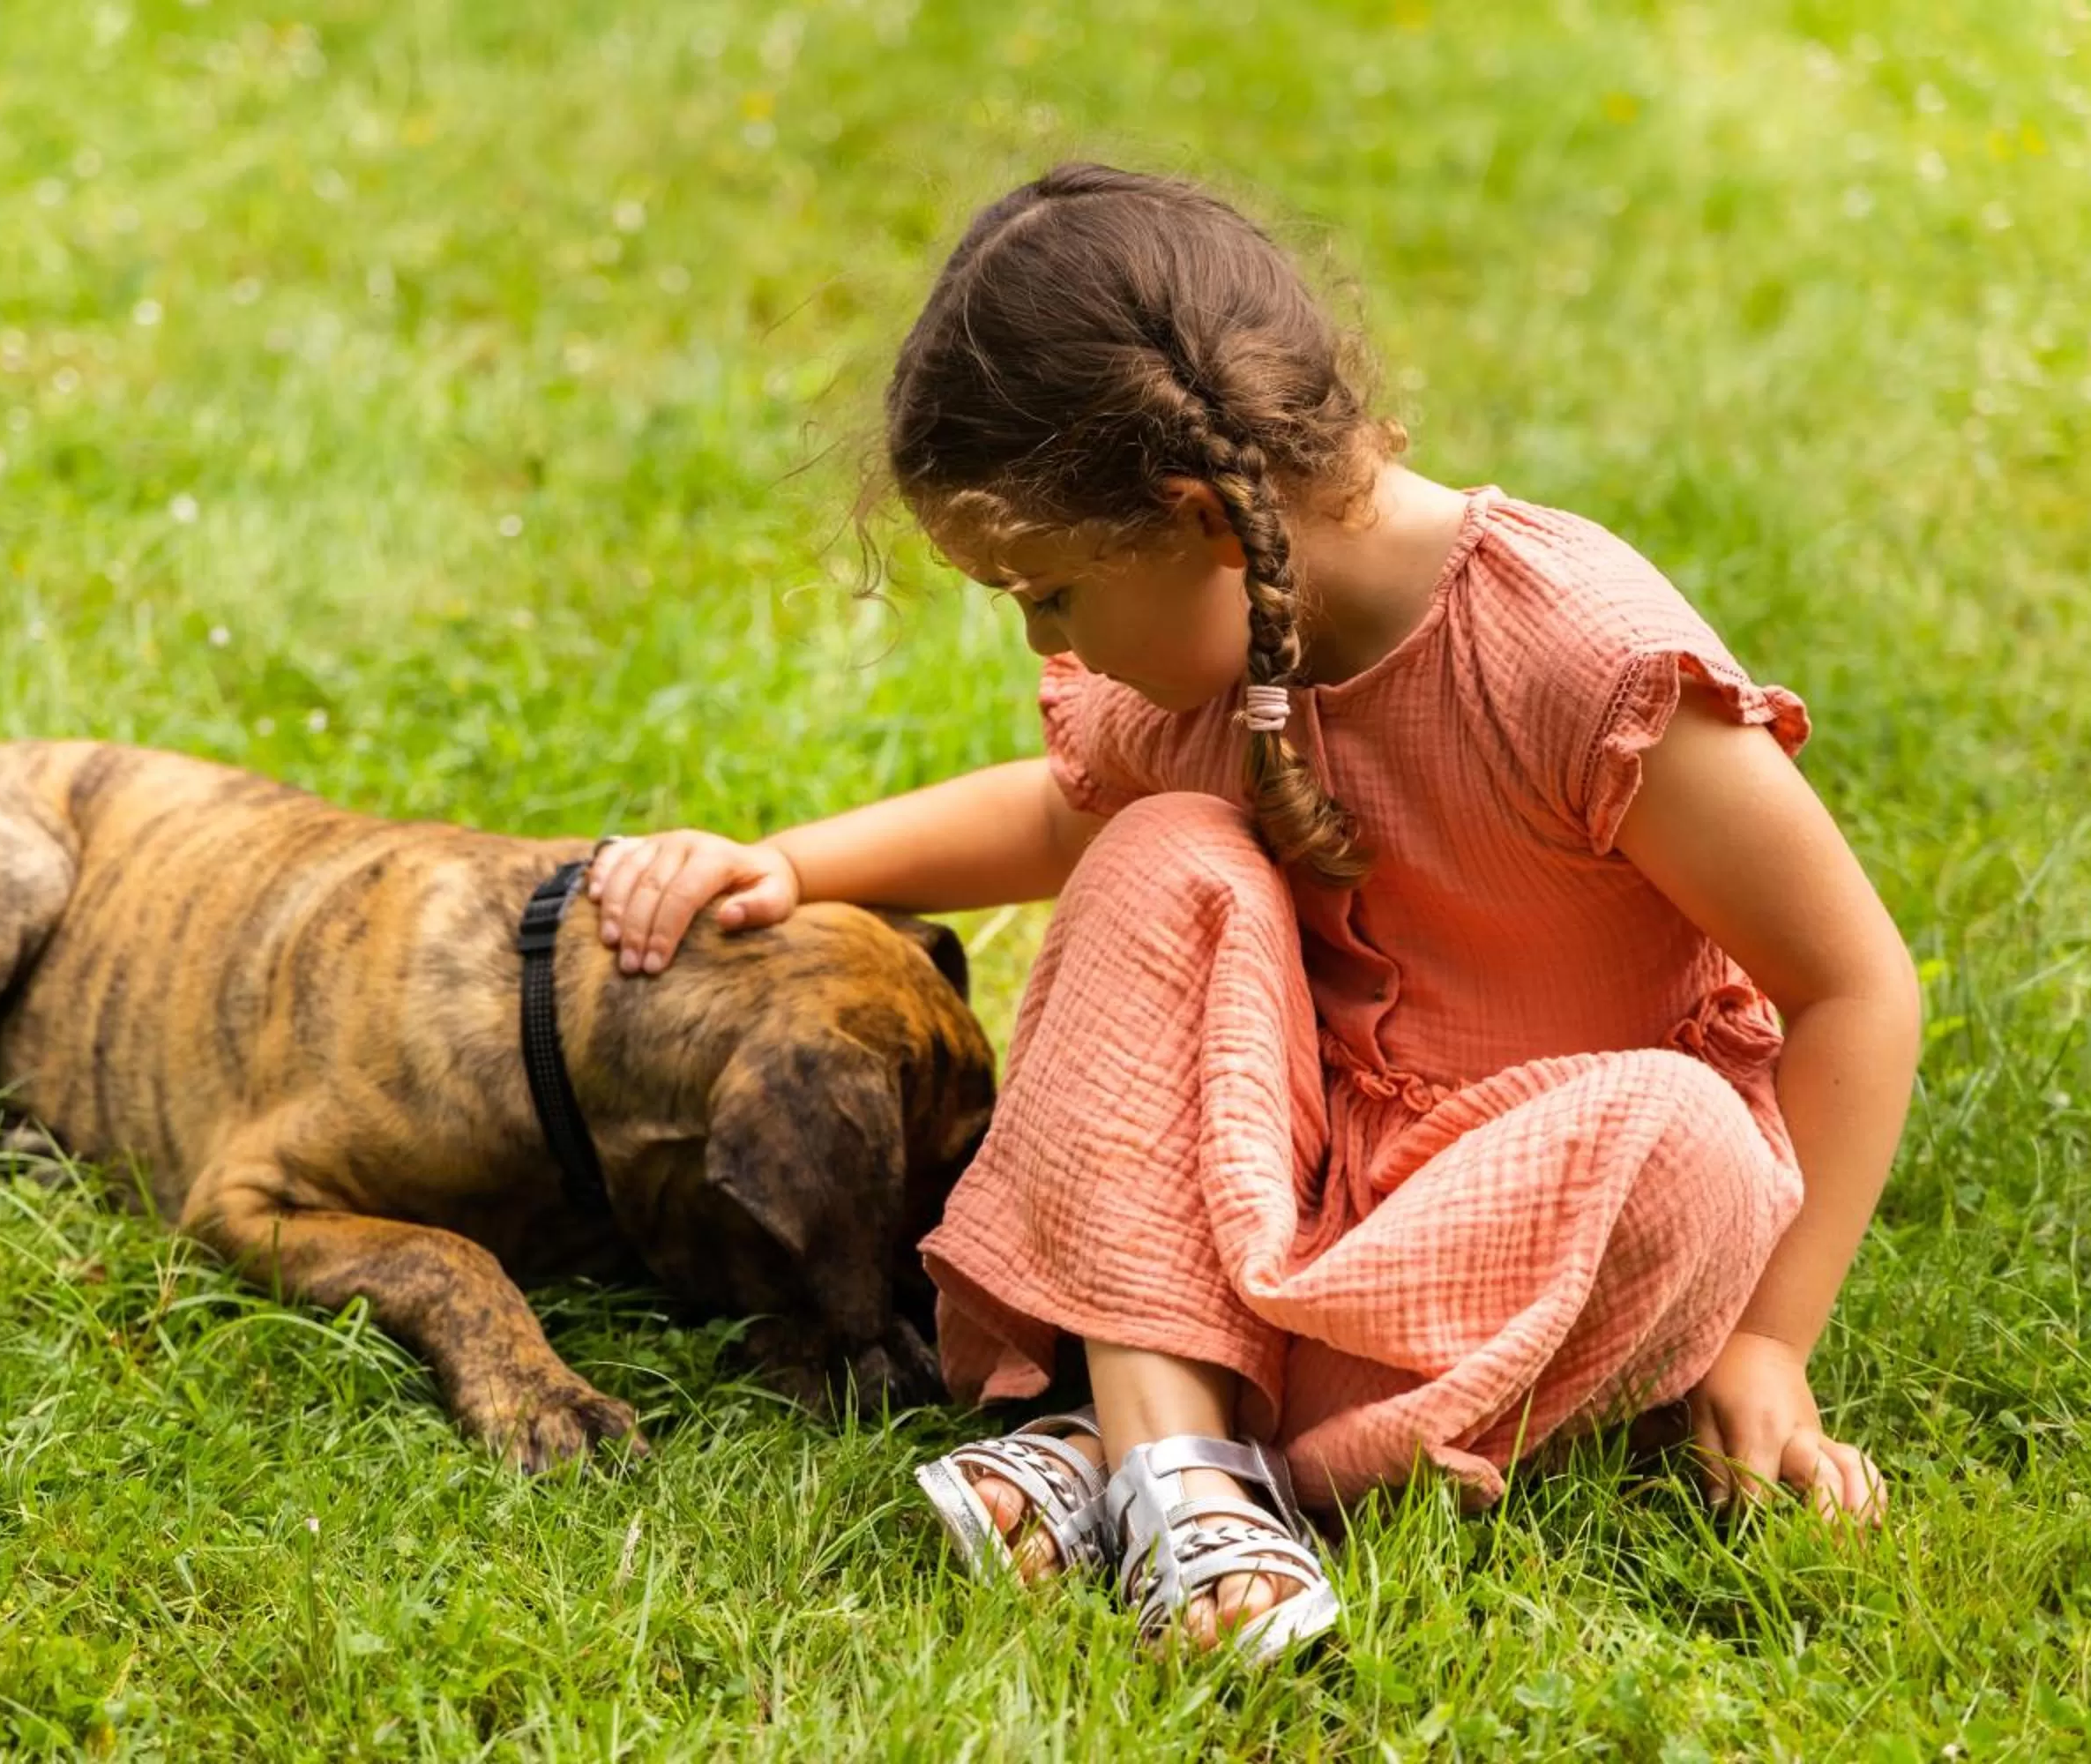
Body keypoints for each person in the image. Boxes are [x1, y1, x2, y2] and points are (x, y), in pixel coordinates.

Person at [586, 162, 1920, 1661]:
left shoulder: (1572, 654)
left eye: (1049, 594)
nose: (1043, 641)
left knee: (1695, 1149)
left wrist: (1765, 1345)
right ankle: (1183, 1470)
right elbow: (1061, 809)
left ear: (1203, 519)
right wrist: (795, 862)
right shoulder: (1231, 655)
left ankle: (1146, 1450)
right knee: (1165, 850)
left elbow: (1855, 987)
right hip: (1264, 1197)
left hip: (1516, 1217)